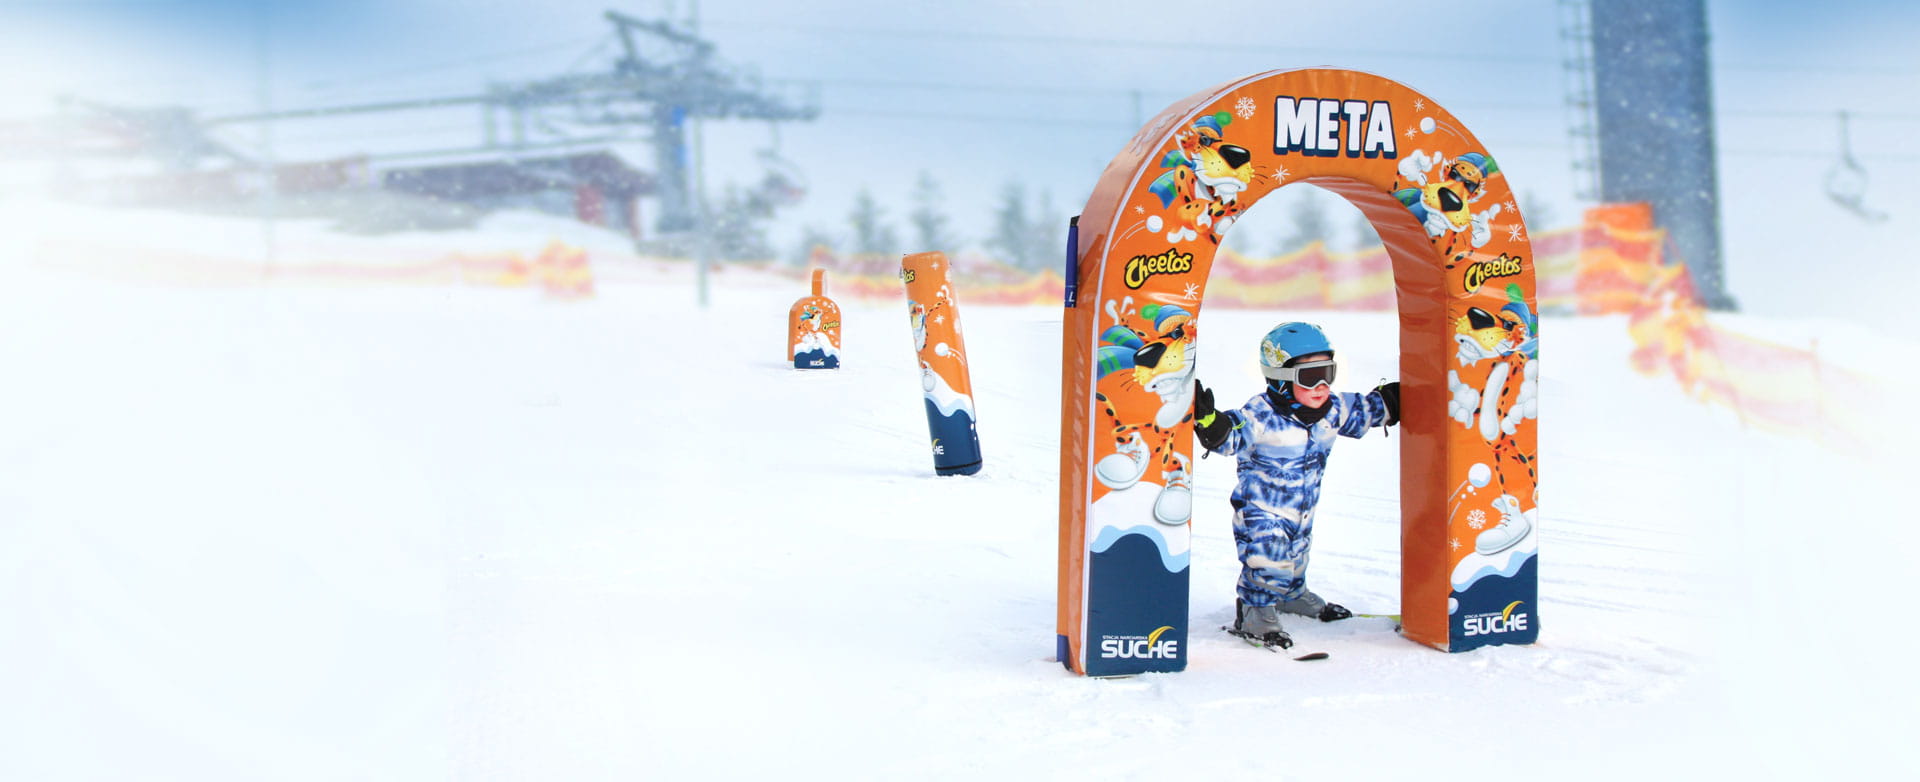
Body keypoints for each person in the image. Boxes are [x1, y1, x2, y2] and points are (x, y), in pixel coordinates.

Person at [1193, 322, 1400, 649]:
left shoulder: (1333, 409)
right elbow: (1231, 435)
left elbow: (1365, 409)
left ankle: (1290, 595)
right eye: (1309, 376)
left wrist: (1397, 398)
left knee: (1298, 552)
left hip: (1302, 508)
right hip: (1262, 512)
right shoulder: (1262, 413)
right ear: (1280, 380)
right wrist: (1211, 424)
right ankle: (1254, 610)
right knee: (1268, 559)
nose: (1320, 385)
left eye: (1327, 373)